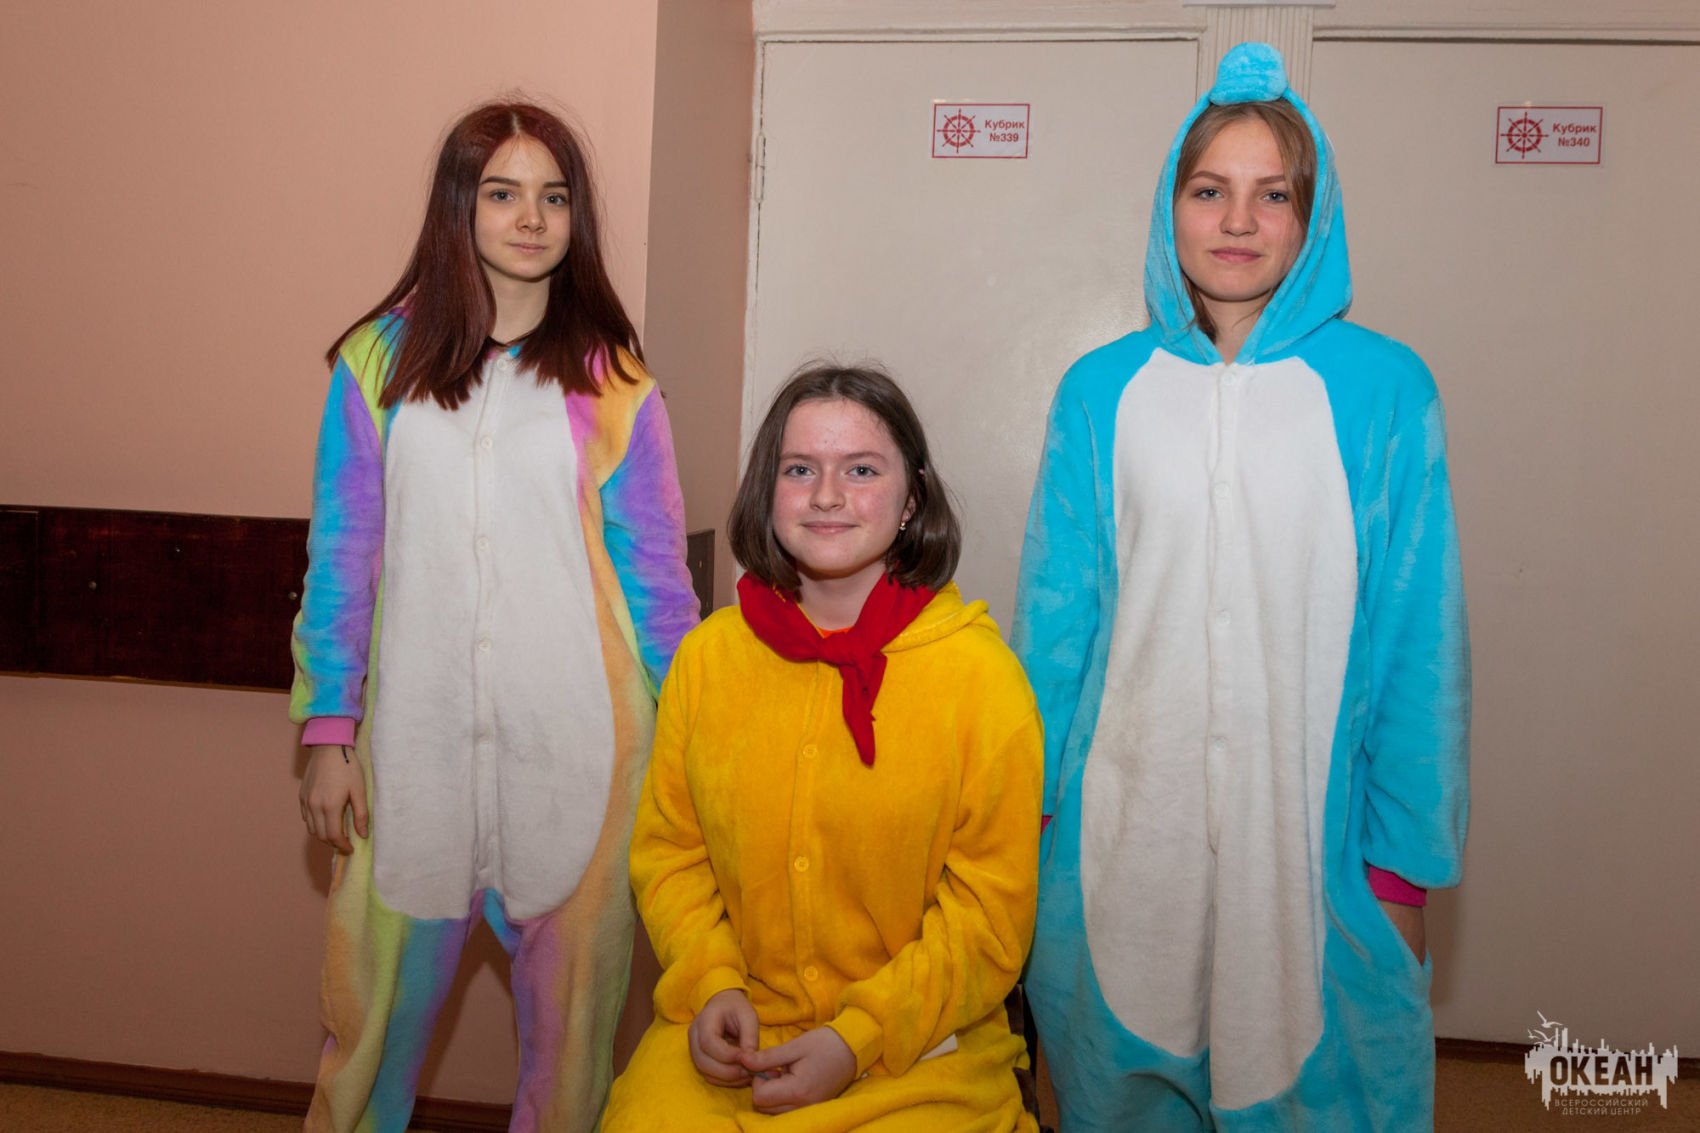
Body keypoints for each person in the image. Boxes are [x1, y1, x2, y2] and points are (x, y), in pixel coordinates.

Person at [1012, 43, 1470, 1131]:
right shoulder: (1099, 393)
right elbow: (1052, 636)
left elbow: (1422, 647)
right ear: (1170, 208)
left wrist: (1401, 873)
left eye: (1273, 195)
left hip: (1310, 857)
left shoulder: (1386, 391)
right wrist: (1024, 840)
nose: (1237, 220)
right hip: (1124, 842)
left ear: (1313, 218)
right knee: (1118, 1089)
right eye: (1209, 190)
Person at [289, 100, 699, 1133]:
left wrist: (696, 739)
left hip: (585, 755)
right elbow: (343, 555)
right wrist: (329, 729)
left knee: (570, 1050)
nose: (530, 218)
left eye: (553, 197)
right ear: (459, 206)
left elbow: (657, 584)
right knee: (367, 1032)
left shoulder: (616, 382)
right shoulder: (376, 363)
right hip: (410, 753)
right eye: (503, 192)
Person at [601, 365, 1043, 1132]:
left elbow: (988, 916)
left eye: (861, 470)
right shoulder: (708, 661)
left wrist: (856, 1037)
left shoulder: (983, 678)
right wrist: (712, 983)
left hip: (921, 1049)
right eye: (799, 469)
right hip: (737, 1034)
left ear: (912, 500)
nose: (827, 496)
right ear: (766, 492)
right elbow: (672, 855)